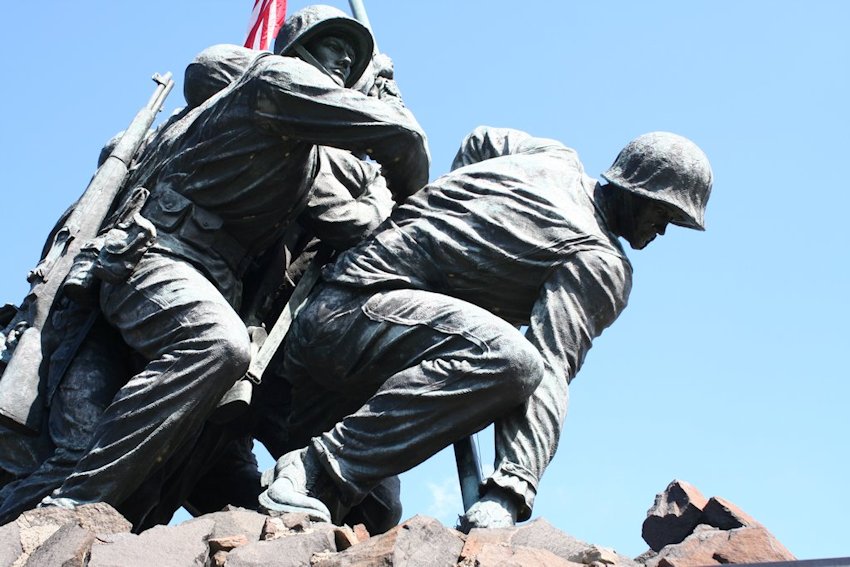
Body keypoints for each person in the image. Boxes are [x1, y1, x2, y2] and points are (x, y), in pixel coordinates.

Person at [36, 3, 429, 516]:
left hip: (211, 283)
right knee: (216, 345)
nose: (343, 61)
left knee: (185, 470)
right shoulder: (276, 78)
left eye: (352, 58)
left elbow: (353, 224)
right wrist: (394, 165)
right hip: (157, 256)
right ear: (300, 50)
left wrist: (376, 191)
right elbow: (402, 136)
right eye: (333, 46)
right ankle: (73, 503)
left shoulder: (303, 158)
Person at [258, 126, 713, 530]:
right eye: (662, 215)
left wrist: (458, 251)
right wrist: (511, 489)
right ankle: (313, 468)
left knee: (374, 513)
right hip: (350, 318)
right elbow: (549, 366)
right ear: (635, 190)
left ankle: (300, 494)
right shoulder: (600, 262)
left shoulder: (550, 156)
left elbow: (478, 142)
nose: (662, 232)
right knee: (510, 359)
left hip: (340, 326)